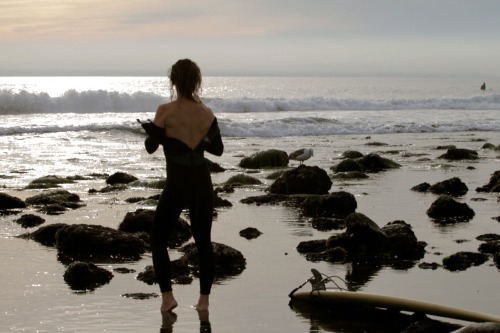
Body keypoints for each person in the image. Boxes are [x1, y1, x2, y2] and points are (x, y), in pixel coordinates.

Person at [139, 59, 224, 313]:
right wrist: (197, 143)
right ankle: (204, 302)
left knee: (157, 239)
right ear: (196, 82)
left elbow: (150, 147)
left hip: (177, 183)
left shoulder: (164, 110)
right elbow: (218, 150)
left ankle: (168, 298)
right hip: (201, 181)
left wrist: (159, 135)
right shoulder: (207, 113)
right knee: (203, 242)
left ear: (173, 81)